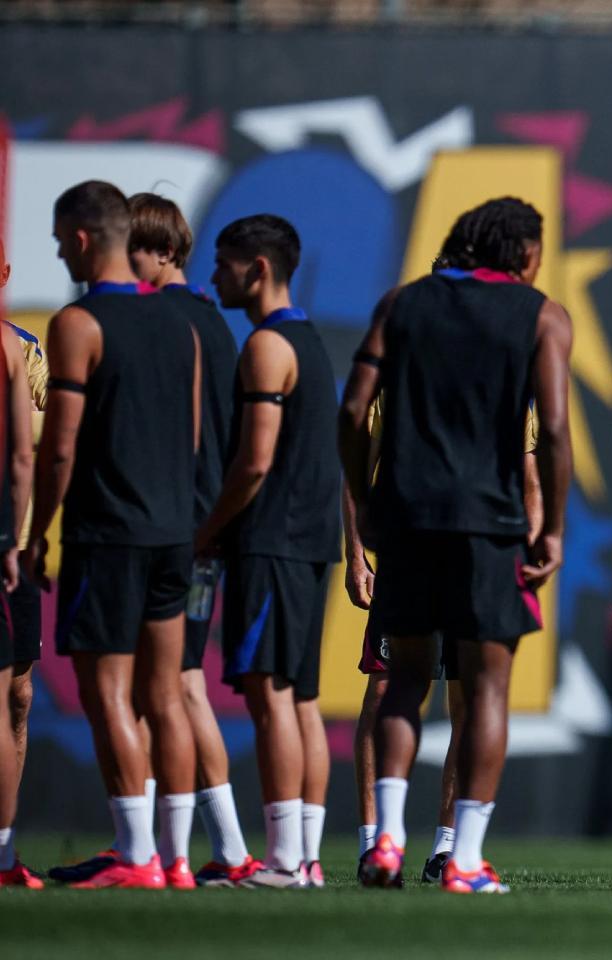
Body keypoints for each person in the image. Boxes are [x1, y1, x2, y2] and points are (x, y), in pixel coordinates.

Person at [344, 197, 570, 894]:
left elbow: (351, 411)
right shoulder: (541, 315)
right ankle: (464, 859)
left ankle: (385, 841)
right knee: (486, 687)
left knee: (402, 682)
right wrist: (552, 528)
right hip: (488, 526)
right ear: (524, 253)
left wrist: (367, 504)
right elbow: (553, 431)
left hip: (409, 521)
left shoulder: (401, 305)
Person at [25, 180, 201, 890]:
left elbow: (58, 449)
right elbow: (193, 434)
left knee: (107, 694)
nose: (58, 252)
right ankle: (177, 859)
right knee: (166, 695)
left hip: (110, 532)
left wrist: (38, 532)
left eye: (60, 240)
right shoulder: (180, 323)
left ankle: (135, 856)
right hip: (174, 532)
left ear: (83, 238)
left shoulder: (78, 323)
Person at [348, 373, 545, 883]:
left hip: (480, 561)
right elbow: (359, 470)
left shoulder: (506, 380)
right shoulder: (400, 380)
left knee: (469, 698)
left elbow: (531, 476)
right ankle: (377, 841)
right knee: (387, 690)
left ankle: (449, 849)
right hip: (410, 553)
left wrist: (533, 545)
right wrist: (356, 554)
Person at [195, 214, 339, 889]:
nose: (213, 276)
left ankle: (283, 863)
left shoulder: (266, 346)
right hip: (307, 544)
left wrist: (206, 530)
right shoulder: (309, 341)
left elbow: (254, 463)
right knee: (300, 699)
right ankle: (305, 860)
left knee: (271, 696)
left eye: (223, 263)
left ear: (257, 269)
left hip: (272, 542)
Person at [125, 193, 259, 888]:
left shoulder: (159, 320)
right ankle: (215, 847)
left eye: (131, 250)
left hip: (168, 526)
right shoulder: (215, 322)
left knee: (166, 684)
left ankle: (155, 851)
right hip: (203, 527)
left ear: (160, 250)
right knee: (180, 683)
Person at [0, 235, 38, 888]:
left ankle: (4, 852)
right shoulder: (13, 350)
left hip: (14, 546)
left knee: (18, 697)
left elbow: (33, 449)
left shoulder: (23, 349)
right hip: (6, 544)